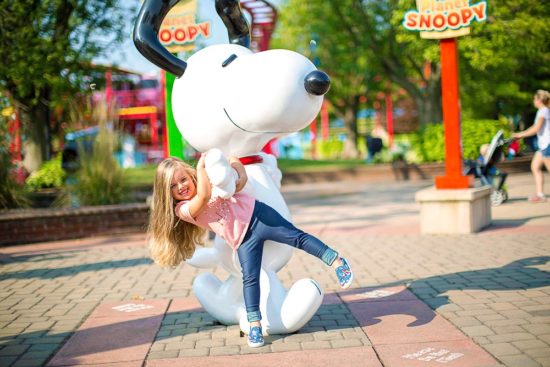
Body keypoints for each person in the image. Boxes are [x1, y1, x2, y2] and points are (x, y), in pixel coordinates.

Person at [147, 155, 353, 348]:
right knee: (250, 278)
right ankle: (255, 326)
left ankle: (336, 261)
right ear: (168, 194)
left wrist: (239, 174)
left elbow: (233, 161)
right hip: (242, 239)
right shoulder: (182, 209)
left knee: (296, 237)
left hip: (259, 215)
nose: (181, 186)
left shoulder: (210, 176)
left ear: (188, 174)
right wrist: (200, 166)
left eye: (182, 179)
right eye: (173, 186)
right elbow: (203, 197)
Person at [512, 90, 550, 203]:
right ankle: (540, 194)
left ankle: (540, 194)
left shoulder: (543, 111)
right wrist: (521, 134)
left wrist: (520, 134)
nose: (533, 101)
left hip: (547, 144)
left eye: (534, 99)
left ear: (539, 100)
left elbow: (536, 128)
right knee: (535, 167)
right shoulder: (543, 111)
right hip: (543, 145)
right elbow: (534, 127)